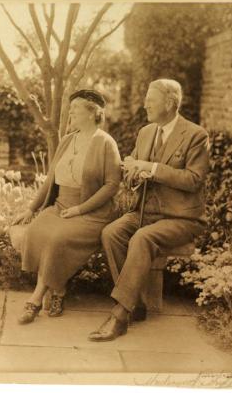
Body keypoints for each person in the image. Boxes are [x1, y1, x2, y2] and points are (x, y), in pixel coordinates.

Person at [88, 78, 210, 342]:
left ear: (169, 102)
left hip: (181, 218)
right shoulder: (146, 132)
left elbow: (194, 180)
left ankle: (120, 315)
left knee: (143, 237)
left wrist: (151, 169)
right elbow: (132, 171)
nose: (145, 105)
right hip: (146, 212)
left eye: (150, 100)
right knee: (111, 233)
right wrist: (133, 172)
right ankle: (137, 304)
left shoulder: (196, 135)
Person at [12, 89, 122, 324]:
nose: (70, 112)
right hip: (62, 206)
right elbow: (51, 178)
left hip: (92, 213)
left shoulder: (105, 143)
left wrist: (80, 210)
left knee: (57, 240)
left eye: (76, 108)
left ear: (93, 112)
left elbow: (112, 186)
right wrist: (32, 208)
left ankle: (36, 299)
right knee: (36, 231)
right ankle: (59, 290)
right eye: (70, 108)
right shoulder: (67, 140)